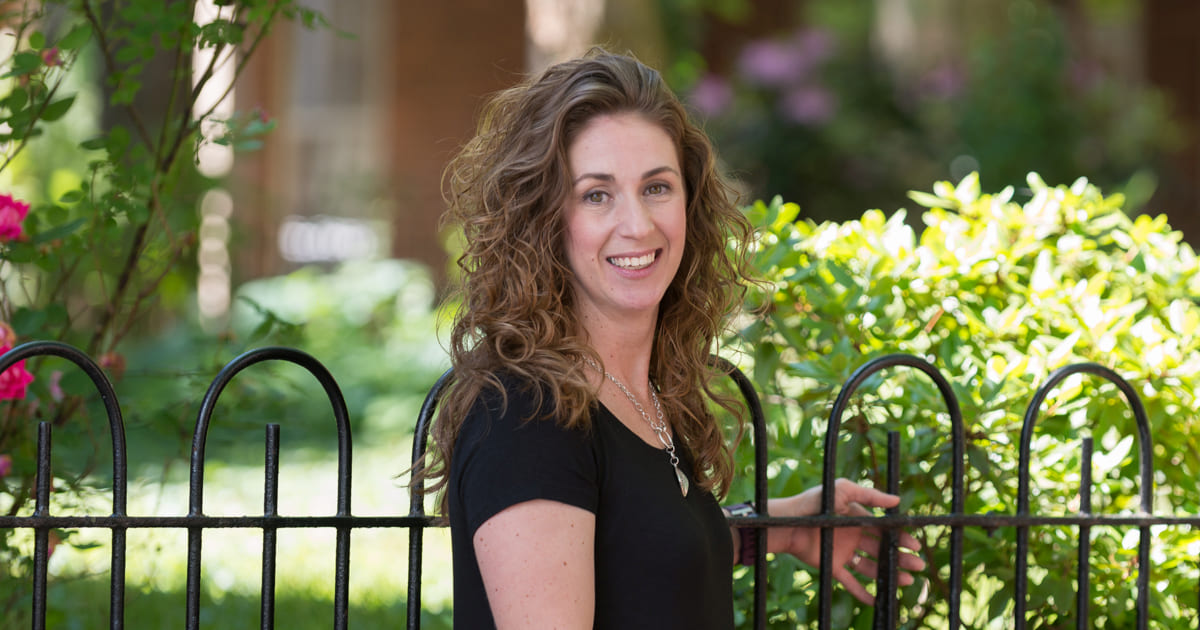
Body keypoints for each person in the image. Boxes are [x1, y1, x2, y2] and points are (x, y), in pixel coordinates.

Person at [420, 48, 925, 629]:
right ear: (543, 221)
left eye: (657, 187)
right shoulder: (530, 419)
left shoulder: (635, 391)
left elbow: (635, 557)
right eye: (596, 194)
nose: (638, 224)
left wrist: (781, 527)